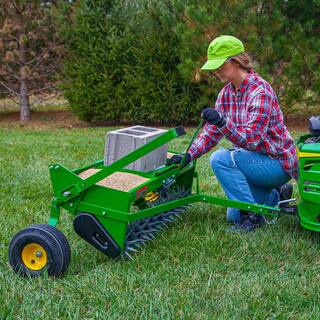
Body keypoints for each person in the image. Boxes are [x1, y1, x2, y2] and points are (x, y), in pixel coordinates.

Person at [170, 35, 298, 232]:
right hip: (254, 163)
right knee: (233, 215)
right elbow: (210, 133)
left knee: (221, 158)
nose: (216, 70)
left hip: (277, 163)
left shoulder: (260, 91)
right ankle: (276, 195)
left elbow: (253, 140)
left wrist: (223, 121)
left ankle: (253, 217)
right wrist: (189, 155)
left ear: (236, 61)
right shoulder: (226, 93)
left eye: (220, 64)